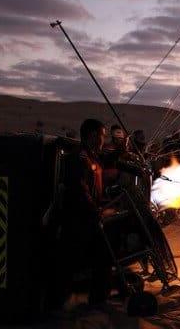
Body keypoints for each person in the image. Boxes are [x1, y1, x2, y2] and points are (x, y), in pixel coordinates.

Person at [57, 119, 113, 306]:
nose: (103, 139)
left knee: (89, 258)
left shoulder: (92, 157)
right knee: (87, 258)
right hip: (79, 220)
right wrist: (95, 211)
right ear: (92, 135)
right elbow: (80, 190)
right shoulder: (80, 158)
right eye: (102, 135)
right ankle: (90, 301)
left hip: (87, 217)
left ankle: (93, 298)